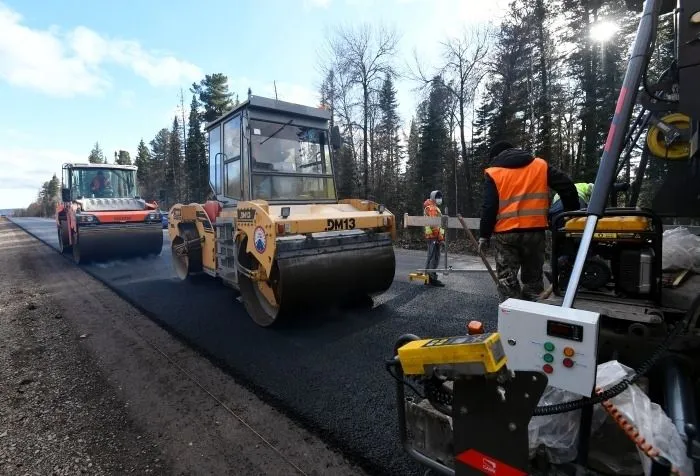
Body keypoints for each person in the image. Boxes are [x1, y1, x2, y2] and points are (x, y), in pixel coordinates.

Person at [478, 141, 579, 301]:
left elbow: (489, 207)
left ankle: (511, 316)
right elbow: (567, 186)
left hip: (506, 236)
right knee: (533, 281)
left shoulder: (494, 172)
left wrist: (484, 235)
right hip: (535, 232)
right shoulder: (539, 165)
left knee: (507, 281)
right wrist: (572, 216)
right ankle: (532, 313)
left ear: (497, 157)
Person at [549, 181, 631, 225]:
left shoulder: (558, 193)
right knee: (581, 231)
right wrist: (619, 186)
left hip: (556, 209)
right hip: (576, 202)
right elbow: (601, 188)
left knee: (560, 235)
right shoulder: (584, 186)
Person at [423, 190, 446, 287]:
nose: (440, 199)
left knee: (432, 256)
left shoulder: (433, 207)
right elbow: (434, 225)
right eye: (438, 197)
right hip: (433, 237)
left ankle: (428, 277)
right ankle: (431, 278)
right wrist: (440, 239)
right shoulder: (432, 208)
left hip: (433, 237)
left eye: (440, 197)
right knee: (434, 257)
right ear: (433, 198)